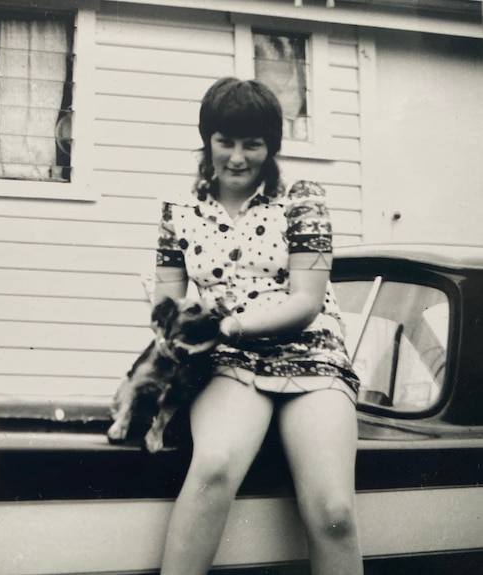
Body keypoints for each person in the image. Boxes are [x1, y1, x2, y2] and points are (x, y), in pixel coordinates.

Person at [153, 77, 363, 575]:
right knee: (214, 469)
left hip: (312, 354)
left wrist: (232, 325)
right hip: (226, 361)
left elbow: (307, 302)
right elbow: (167, 300)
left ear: (272, 146)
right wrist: (172, 323)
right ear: (208, 139)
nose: (238, 157)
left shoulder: (302, 200)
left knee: (334, 513)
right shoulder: (177, 211)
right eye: (226, 141)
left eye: (254, 143)